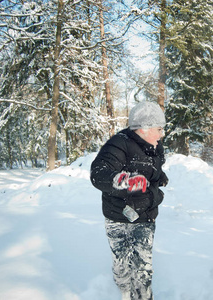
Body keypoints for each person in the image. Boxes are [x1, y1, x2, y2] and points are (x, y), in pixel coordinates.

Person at [90, 101, 168, 300]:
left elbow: (152, 168)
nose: (161, 134)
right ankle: (124, 291)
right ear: (144, 129)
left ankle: (143, 296)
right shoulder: (118, 144)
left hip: (145, 214)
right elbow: (99, 173)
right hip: (118, 216)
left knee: (143, 266)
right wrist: (122, 180)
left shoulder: (156, 146)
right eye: (159, 129)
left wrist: (160, 177)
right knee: (122, 263)